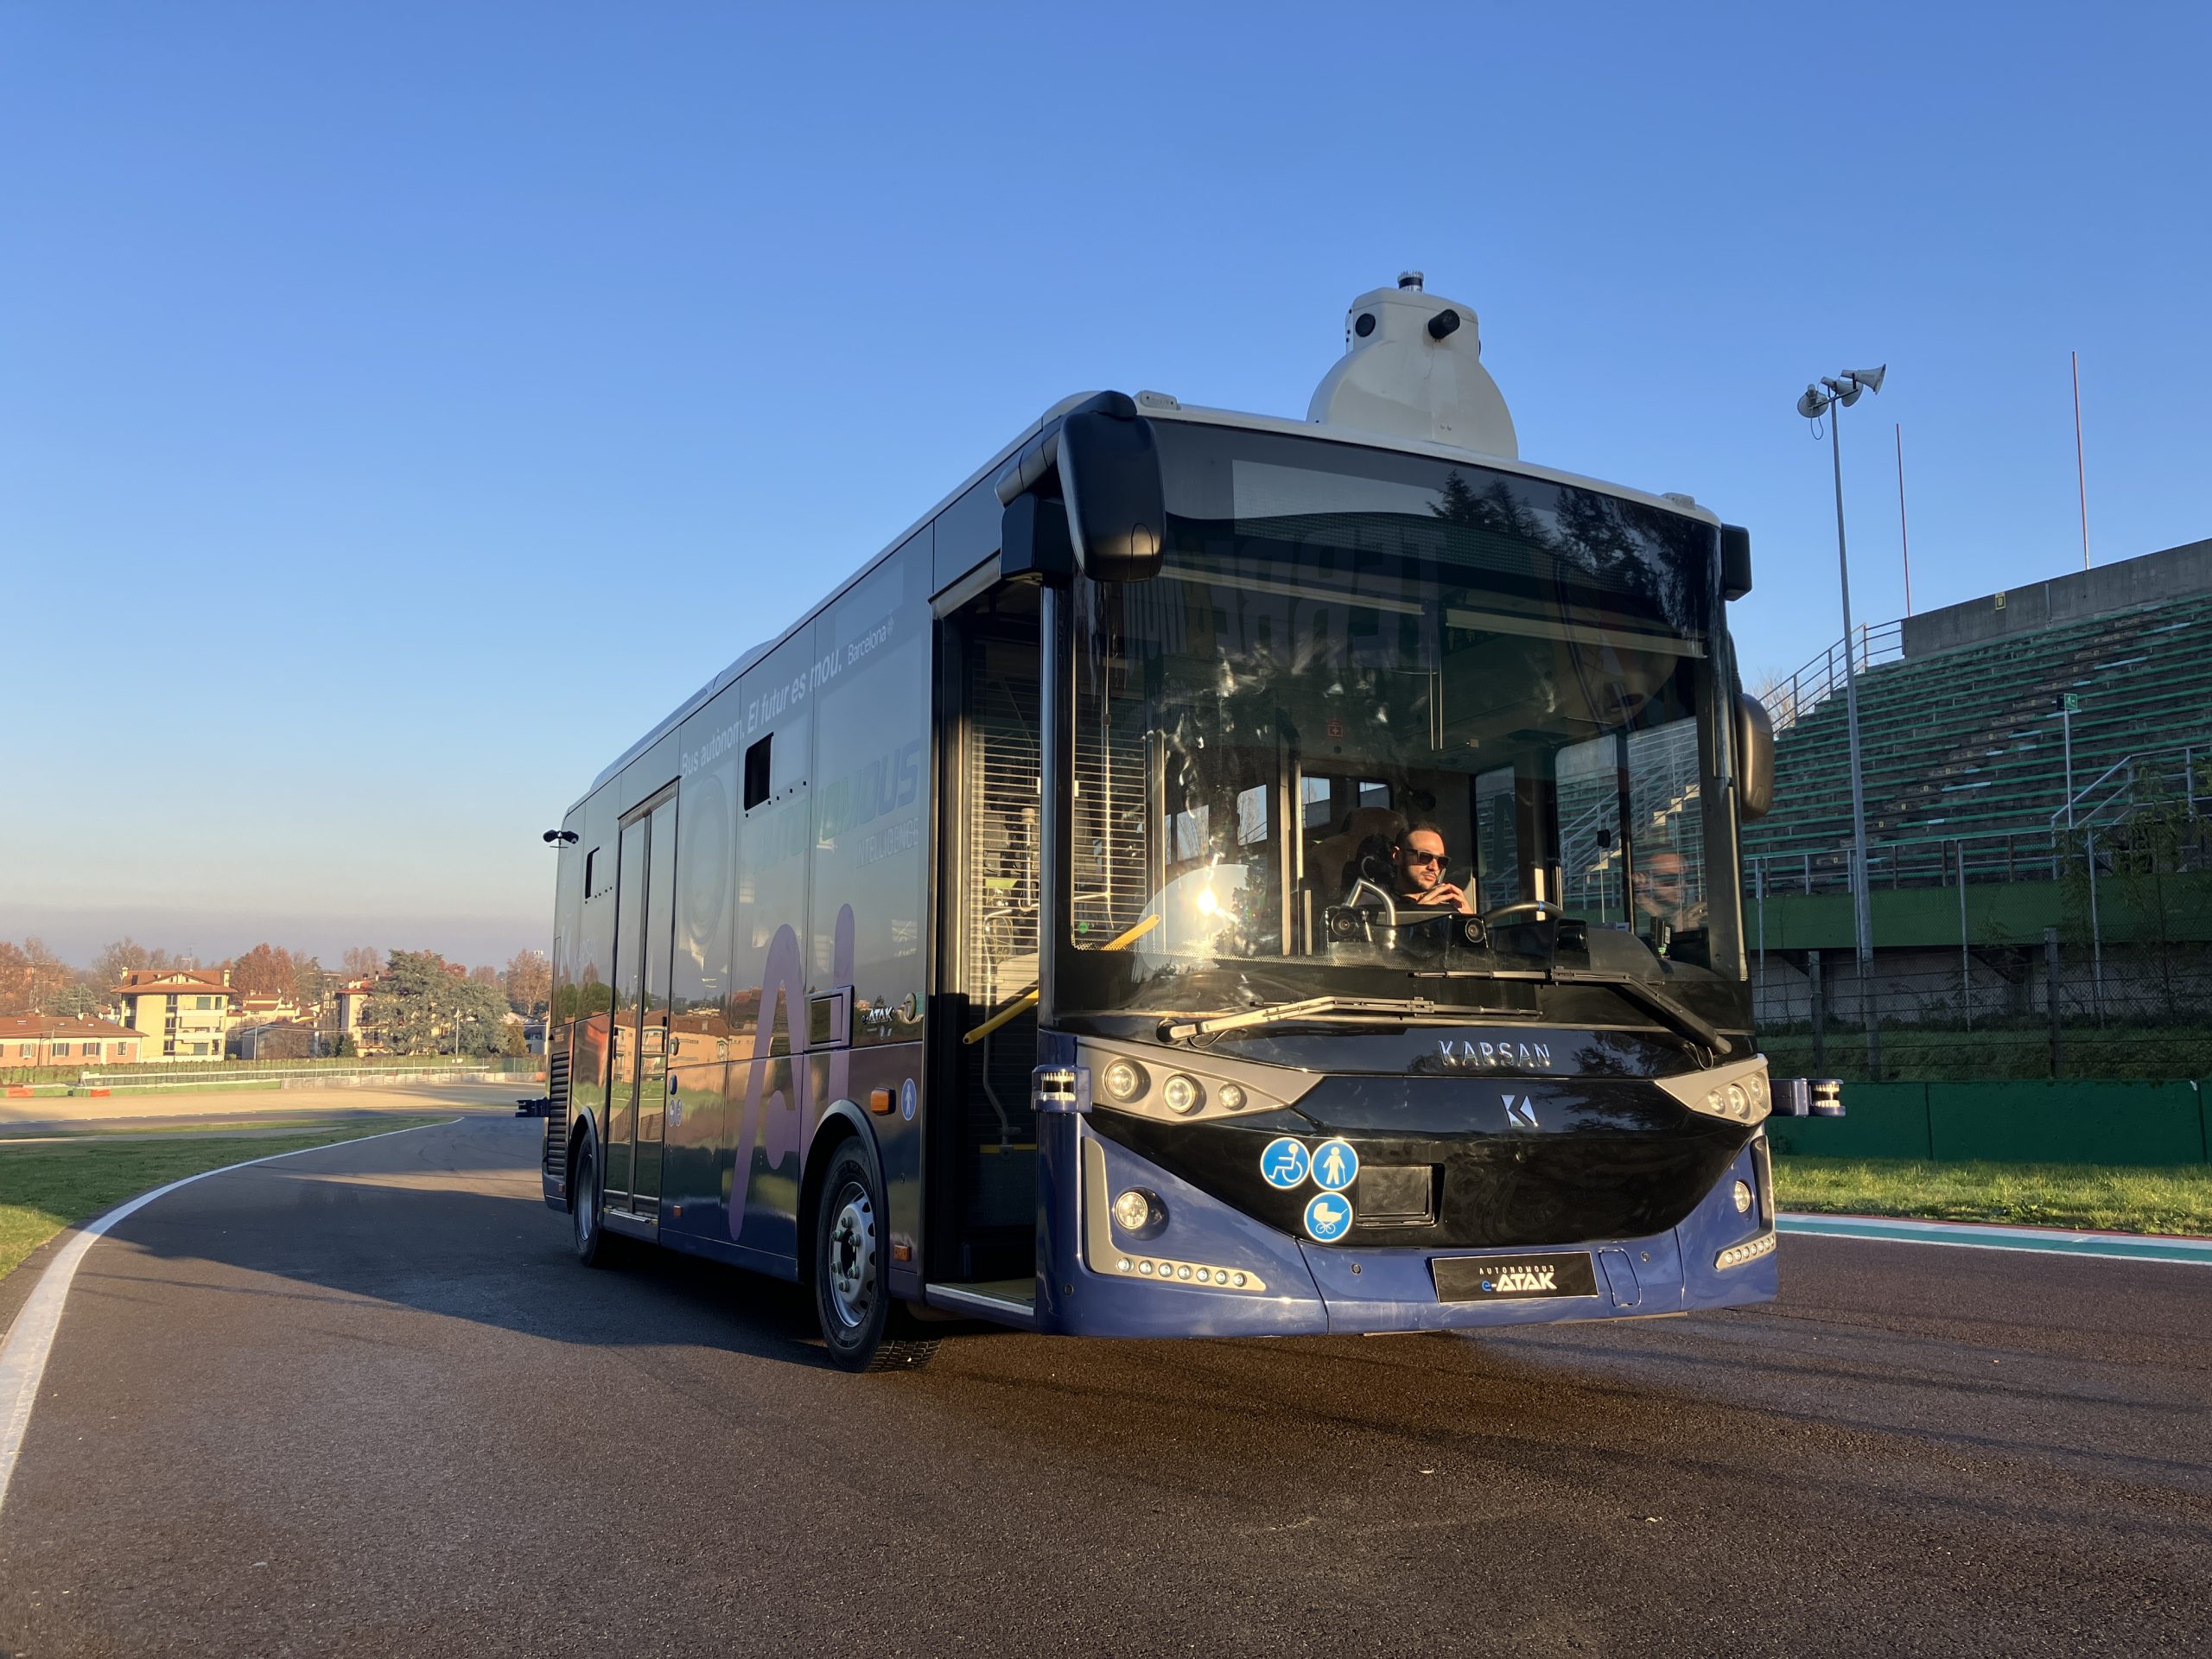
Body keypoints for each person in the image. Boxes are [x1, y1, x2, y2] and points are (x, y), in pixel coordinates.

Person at [1392, 822, 1475, 915]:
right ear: (1398, 856)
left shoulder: (1452, 906)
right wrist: (1417, 917)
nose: (1435, 867)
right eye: (1424, 857)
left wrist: (1469, 921)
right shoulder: (1377, 900)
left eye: (1442, 861)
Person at [1633, 847, 1707, 934]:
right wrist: (1677, 932)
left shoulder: (1686, 911)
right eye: (1670, 879)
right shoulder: (1636, 921)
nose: (1681, 885)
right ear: (1643, 882)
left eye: (1686, 877)